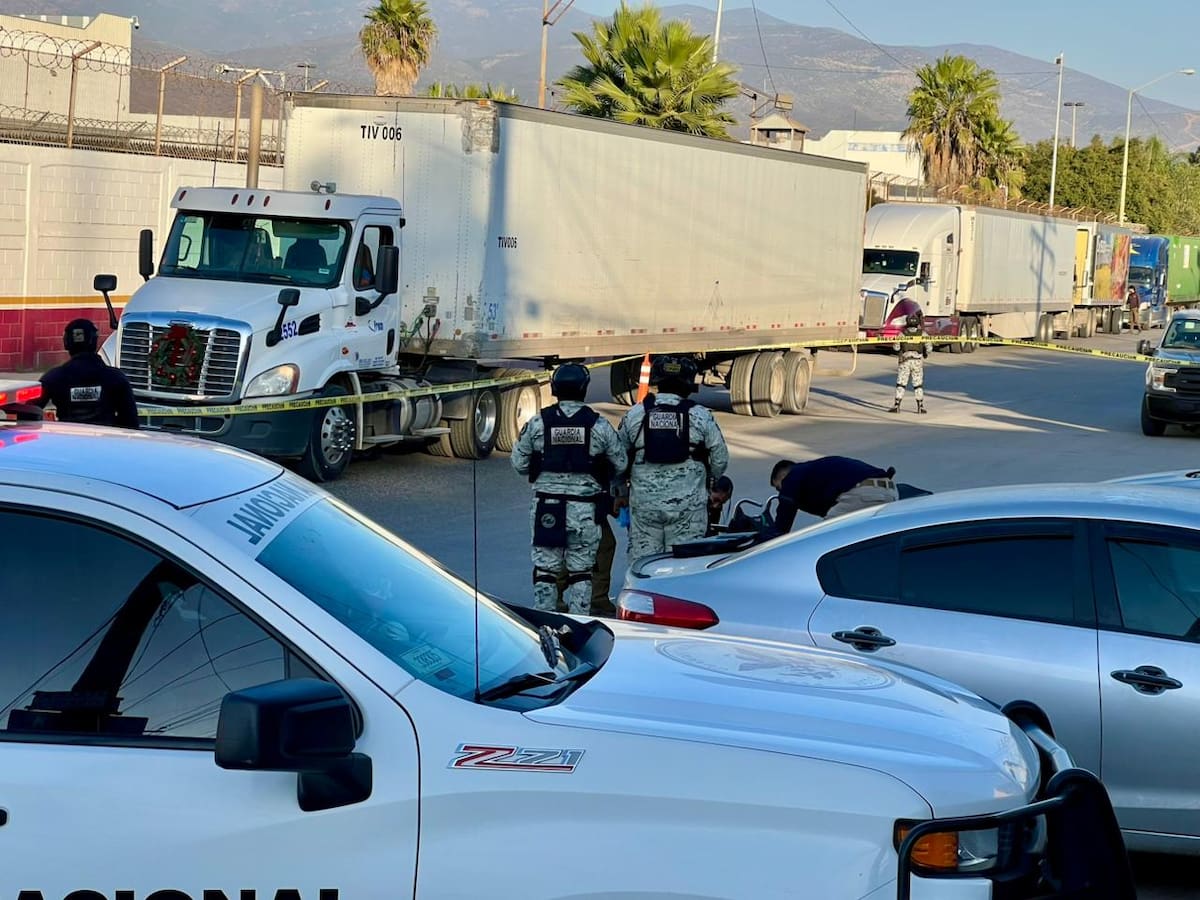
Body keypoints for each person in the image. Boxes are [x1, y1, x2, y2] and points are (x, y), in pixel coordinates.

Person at [511, 363, 626, 616]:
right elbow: (620, 463)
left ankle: (544, 622)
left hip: (546, 510)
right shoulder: (599, 425)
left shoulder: (539, 422)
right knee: (582, 572)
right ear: (585, 389)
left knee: (546, 571)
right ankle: (578, 624)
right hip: (584, 510)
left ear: (554, 388)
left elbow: (519, 464)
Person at [618, 356, 729, 561]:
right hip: (688, 510)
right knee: (683, 567)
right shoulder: (700, 416)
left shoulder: (635, 414)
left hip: (645, 508)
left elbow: (617, 460)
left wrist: (623, 490)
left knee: (644, 566)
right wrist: (707, 481)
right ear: (688, 383)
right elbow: (720, 459)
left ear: (657, 381)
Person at [37, 319, 139, 429]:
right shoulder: (116, 378)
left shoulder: (53, 378)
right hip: (106, 442)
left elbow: (28, 412)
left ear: (66, 343)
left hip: (67, 442)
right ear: (94, 341)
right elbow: (131, 422)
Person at [769, 456, 898, 532]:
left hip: (864, 494)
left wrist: (765, 541)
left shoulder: (793, 475)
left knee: (824, 536)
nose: (782, 491)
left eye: (779, 487)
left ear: (783, 475)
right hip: (889, 491)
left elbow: (783, 524)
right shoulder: (813, 473)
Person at [891, 310, 929, 414]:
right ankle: (920, 406)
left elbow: (896, 347)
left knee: (901, 383)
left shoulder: (902, 334)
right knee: (918, 384)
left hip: (905, 361)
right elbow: (929, 348)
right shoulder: (923, 334)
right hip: (917, 361)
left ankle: (897, 405)